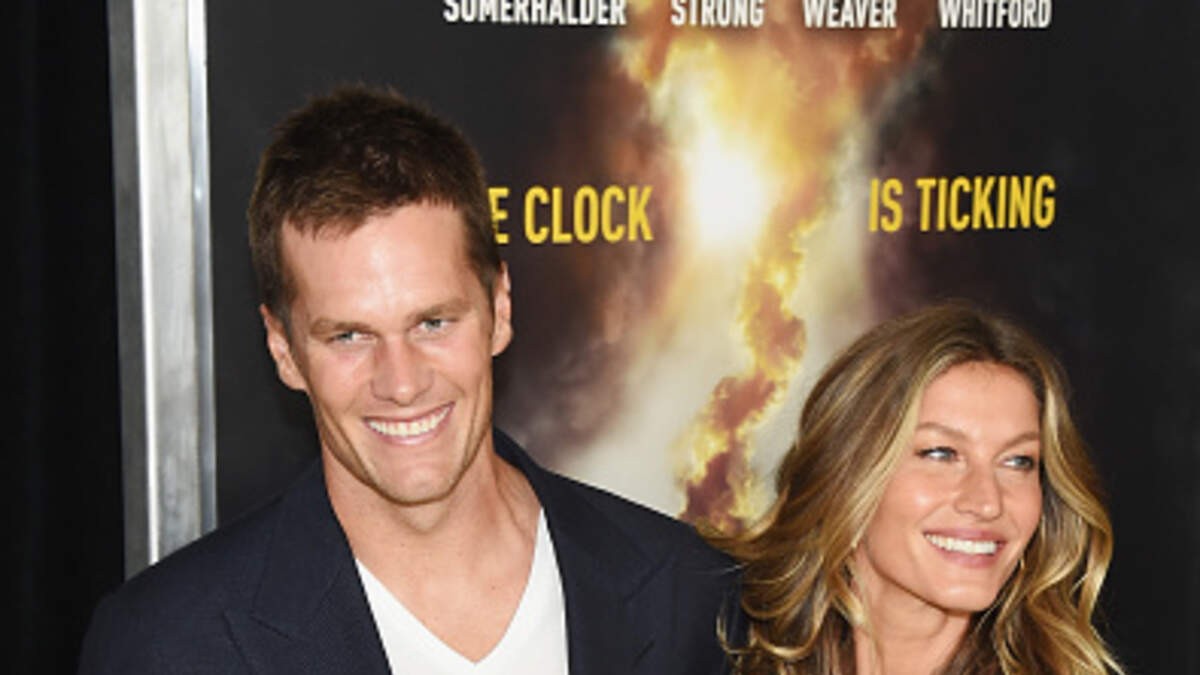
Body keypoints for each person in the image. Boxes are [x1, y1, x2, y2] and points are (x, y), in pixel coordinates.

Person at [79, 85, 738, 674]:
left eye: (432, 322)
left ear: (500, 308)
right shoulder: (169, 644)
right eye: (349, 335)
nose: (400, 382)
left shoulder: (689, 595)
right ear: (283, 349)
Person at [719, 303, 1121, 674]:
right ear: (847, 472)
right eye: (941, 453)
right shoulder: (718, 645)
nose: (987, 502)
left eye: (1017, 461)